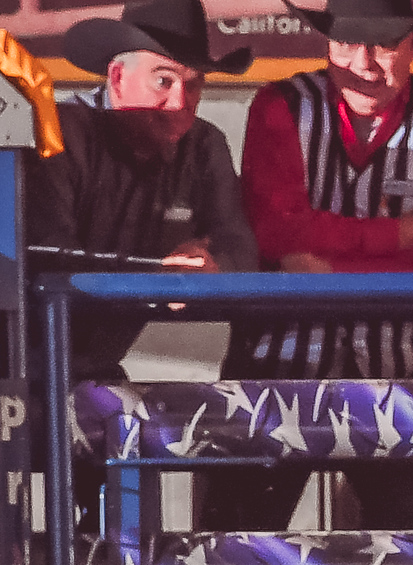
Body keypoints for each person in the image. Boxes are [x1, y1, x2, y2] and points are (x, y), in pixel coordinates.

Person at [200, 0, 413, 530]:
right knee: (231, 548)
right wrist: (400, 235)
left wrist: (330, 268)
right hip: (273, 370)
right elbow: (275, 229)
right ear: (325, 45)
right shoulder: (279, 106)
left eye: (382, 45)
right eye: (346, 44)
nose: (363, 64)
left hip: (398, 375)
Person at [30, 0, 257, 383]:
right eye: (163, 80)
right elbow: (51, 263)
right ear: (117, 78)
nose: (180, 102)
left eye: (195, 83)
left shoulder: (204, 146)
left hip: (96, 373)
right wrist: (157, 275)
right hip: (18, 371)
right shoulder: (57, 136)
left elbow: (241, 247)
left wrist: (212, 265)